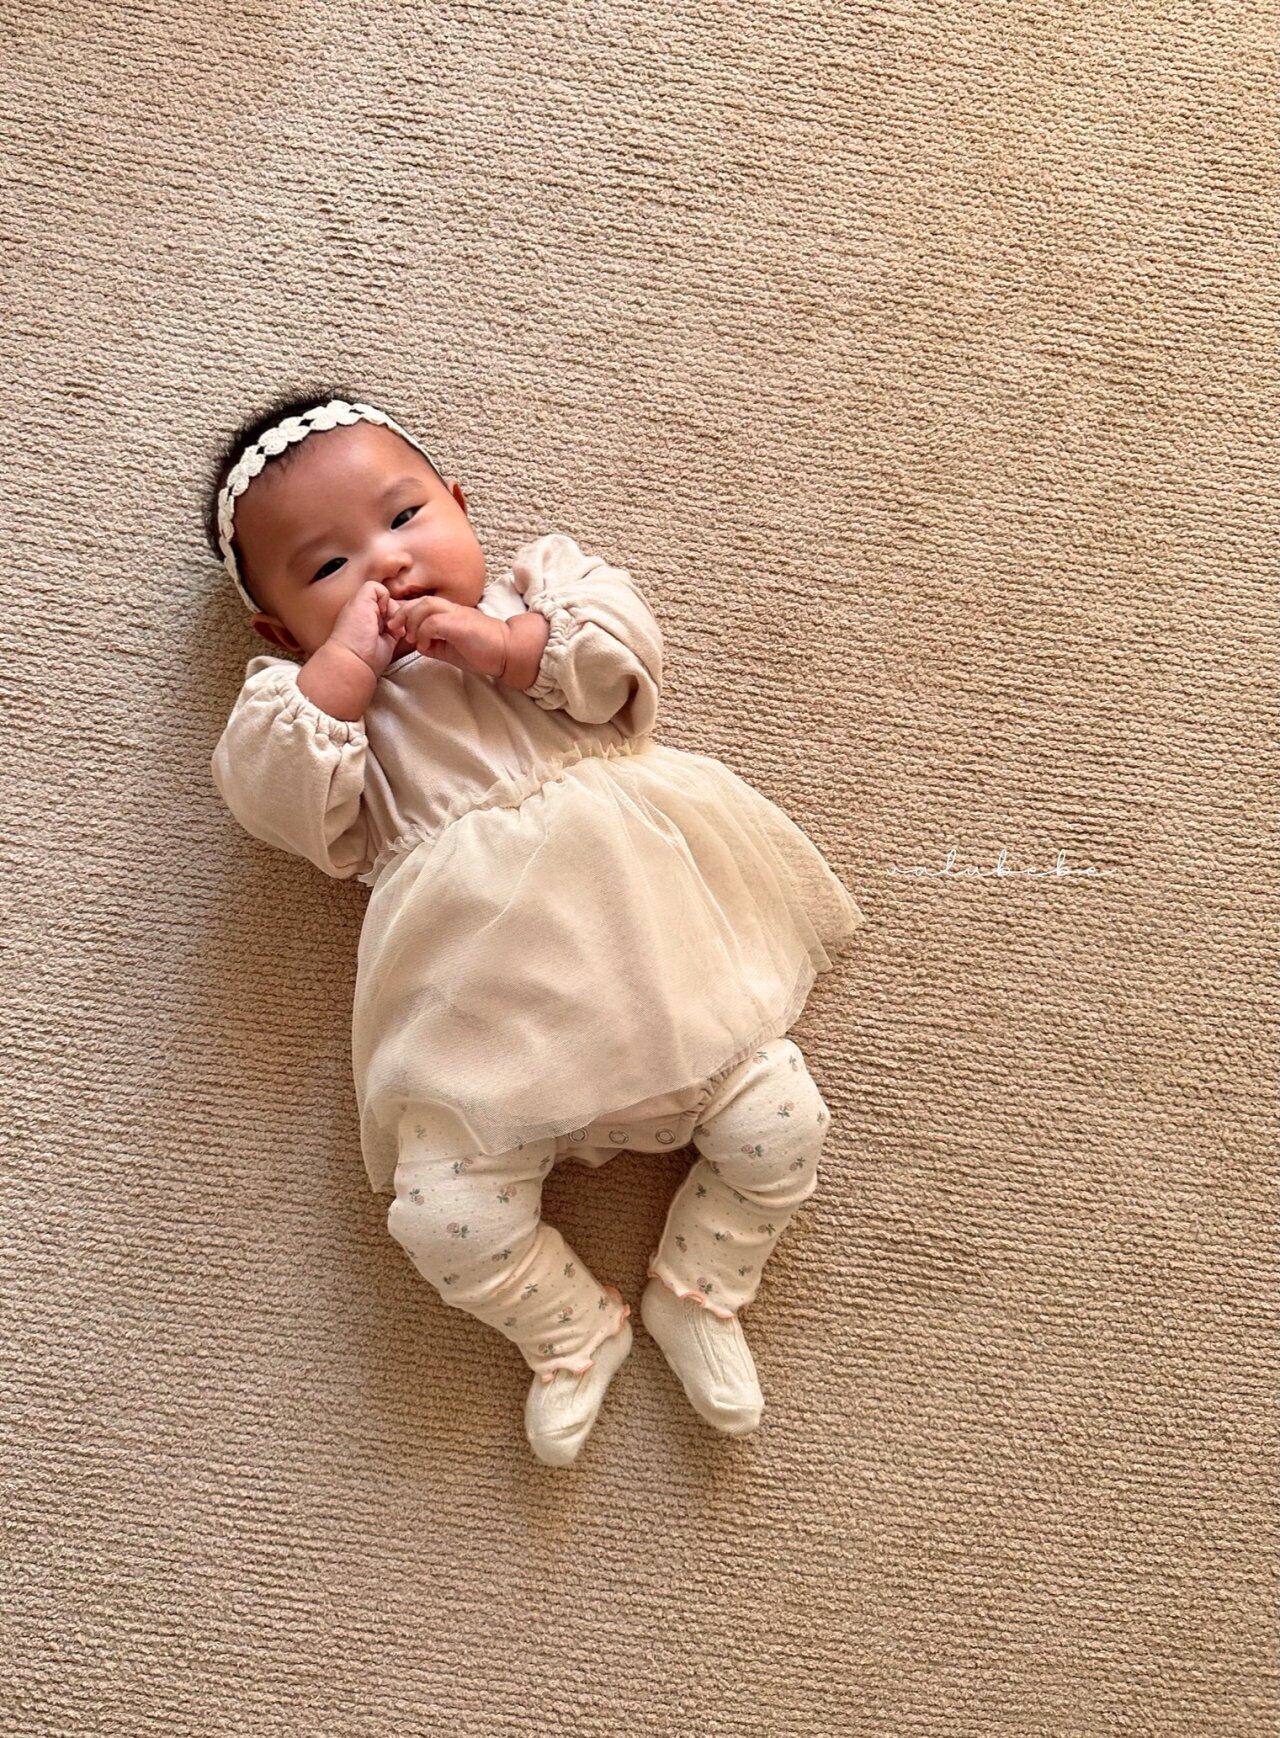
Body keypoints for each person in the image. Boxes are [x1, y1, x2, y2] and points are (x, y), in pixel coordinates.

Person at [207, 390, 869, 1466]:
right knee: (442, 1217)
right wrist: (342, 675)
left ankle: (701, 1284)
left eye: (405, 517)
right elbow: (271, 796)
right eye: (329, 568)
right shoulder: (325, 719)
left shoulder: (542, 595)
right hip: (484, 1040)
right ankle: (569, 1331)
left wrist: (505, 645)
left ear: (461, 505)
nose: (385, 566)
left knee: (783, 1123)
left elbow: (624, 663)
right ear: (283, 634)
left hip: (663, 983)